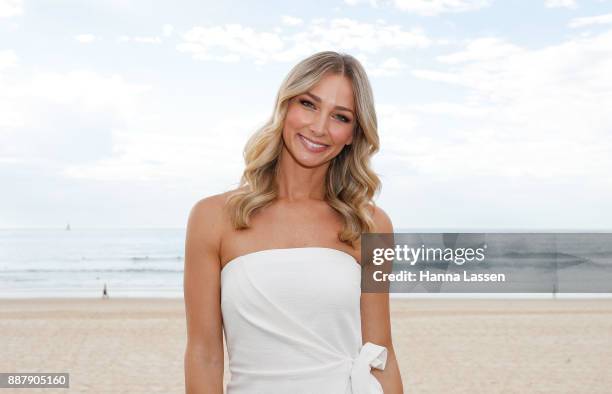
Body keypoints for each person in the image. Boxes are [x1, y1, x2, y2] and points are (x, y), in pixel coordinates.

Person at [184, 51, 403, 393]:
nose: (319, 127)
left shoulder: (372, 225)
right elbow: (204, 354)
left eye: (340, 117)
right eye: (308, 104)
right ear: (285, 105)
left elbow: (381, 352)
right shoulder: (212, 218)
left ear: (353, 134)